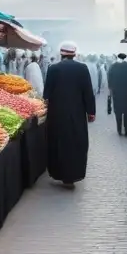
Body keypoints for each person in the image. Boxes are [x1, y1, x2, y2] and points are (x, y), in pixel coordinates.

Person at [44, 41, 96, 187]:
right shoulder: (82, 68)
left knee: (58, 142)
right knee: (75, 142)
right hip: (77, 113)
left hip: (57, 113)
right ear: (74, 54)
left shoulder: (53, 68)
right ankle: (72, 175)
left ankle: (59, 173)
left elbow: (46, 93)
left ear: (61, 54)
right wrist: (91, 112)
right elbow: (88, 92)